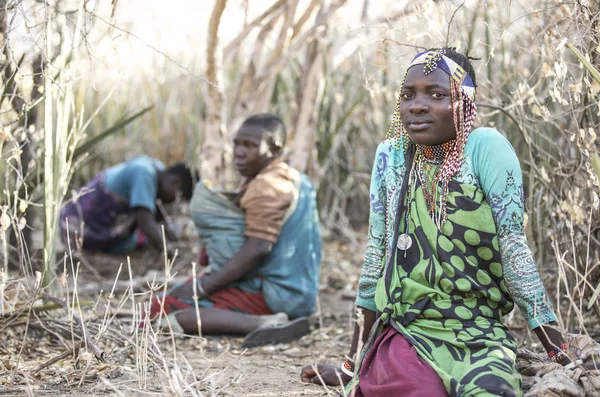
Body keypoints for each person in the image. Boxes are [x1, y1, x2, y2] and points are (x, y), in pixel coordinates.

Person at [300, 48, 581, 396]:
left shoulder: (484, 149)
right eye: (408, 95)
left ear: (465, 102)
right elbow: (376, 256)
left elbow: (514, 252)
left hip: (479, 333)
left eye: (436, 94)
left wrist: (561, 353)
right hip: (409, 331)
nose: (416, 105)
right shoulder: (391, 156)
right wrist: (351, 365)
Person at [149, 114, 322, 347]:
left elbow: (259, 248)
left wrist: (203, 288)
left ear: (275, 149)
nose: (239, 152)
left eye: (250, 145)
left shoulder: (267, 185)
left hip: (277, 294)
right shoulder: (296, 178)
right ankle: (273, 318)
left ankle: (265, 323)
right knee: (176, 295)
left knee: (158, 311)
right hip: (300, 291)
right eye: (237, 144)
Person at [60, 155, 197, 255]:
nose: (174, 200)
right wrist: (170, 251)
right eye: (178, 195)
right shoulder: (144, 174)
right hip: (77, 228)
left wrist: (171, 238)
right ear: (175, 183)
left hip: (74, 221)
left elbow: (157, 216)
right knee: (142, 240)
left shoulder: (157, 168)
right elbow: (145, 220)